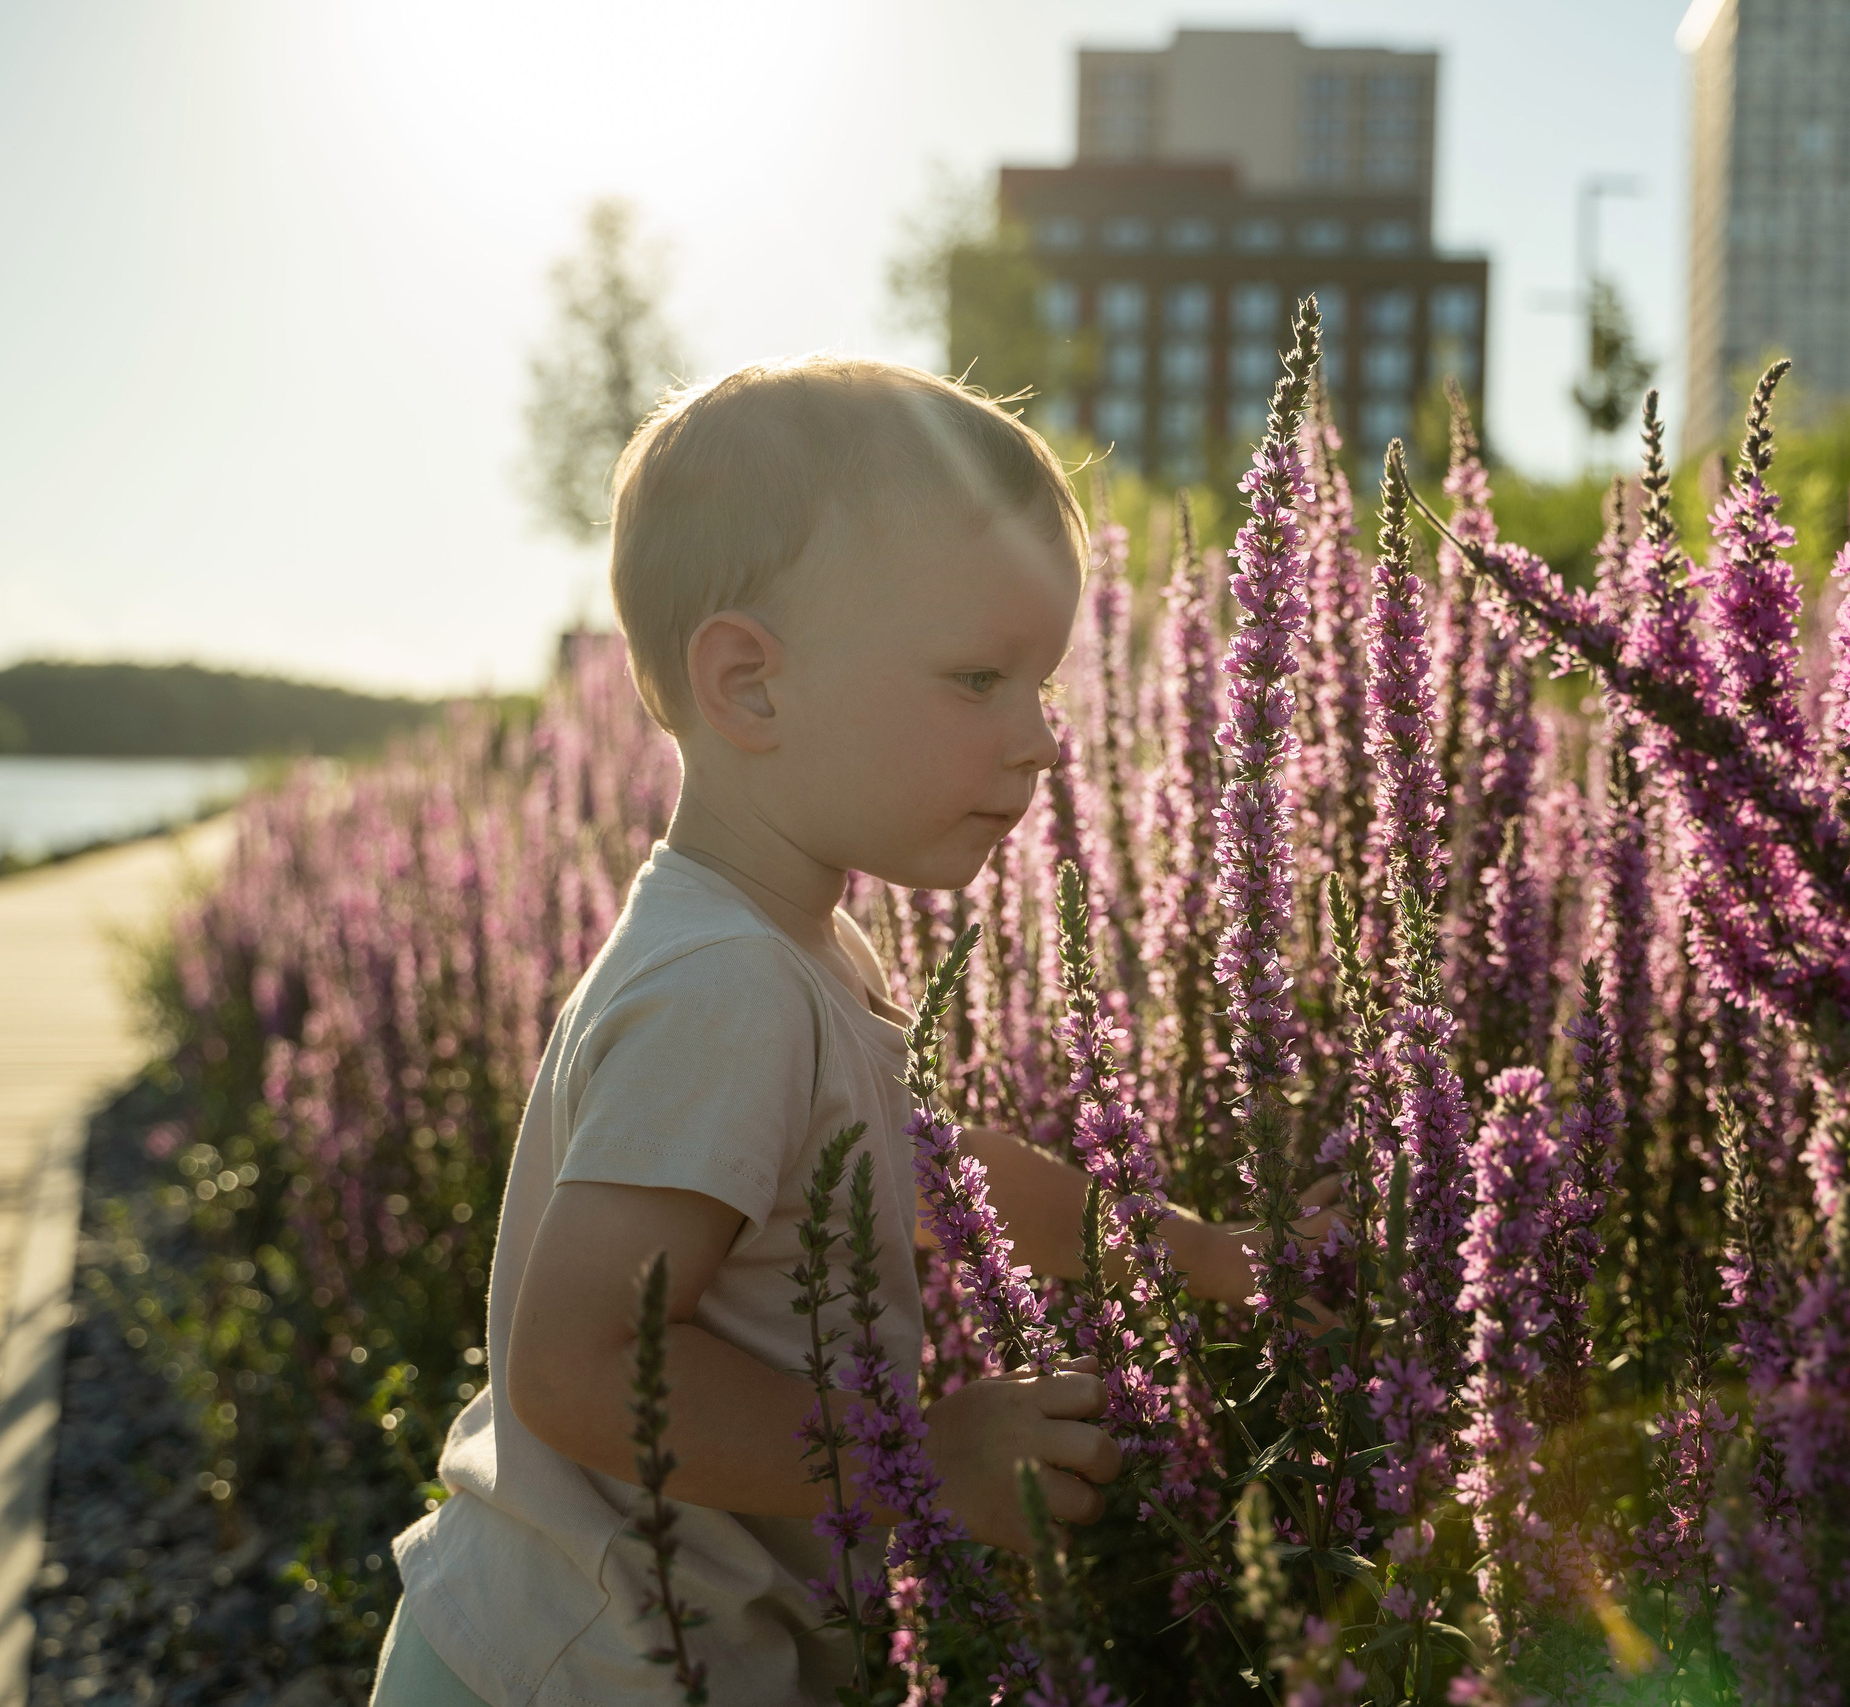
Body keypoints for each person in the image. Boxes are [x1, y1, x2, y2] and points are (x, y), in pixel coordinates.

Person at [376, 357, 1338, 1705]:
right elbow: (581, 1367)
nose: (1044, 744)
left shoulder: (791, 952)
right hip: (569, 1672)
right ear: (750, 688)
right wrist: (921, 1459)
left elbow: (946, 1174)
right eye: (978, 679)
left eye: (1046, 687)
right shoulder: (724, 991)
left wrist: (1199, 1257)